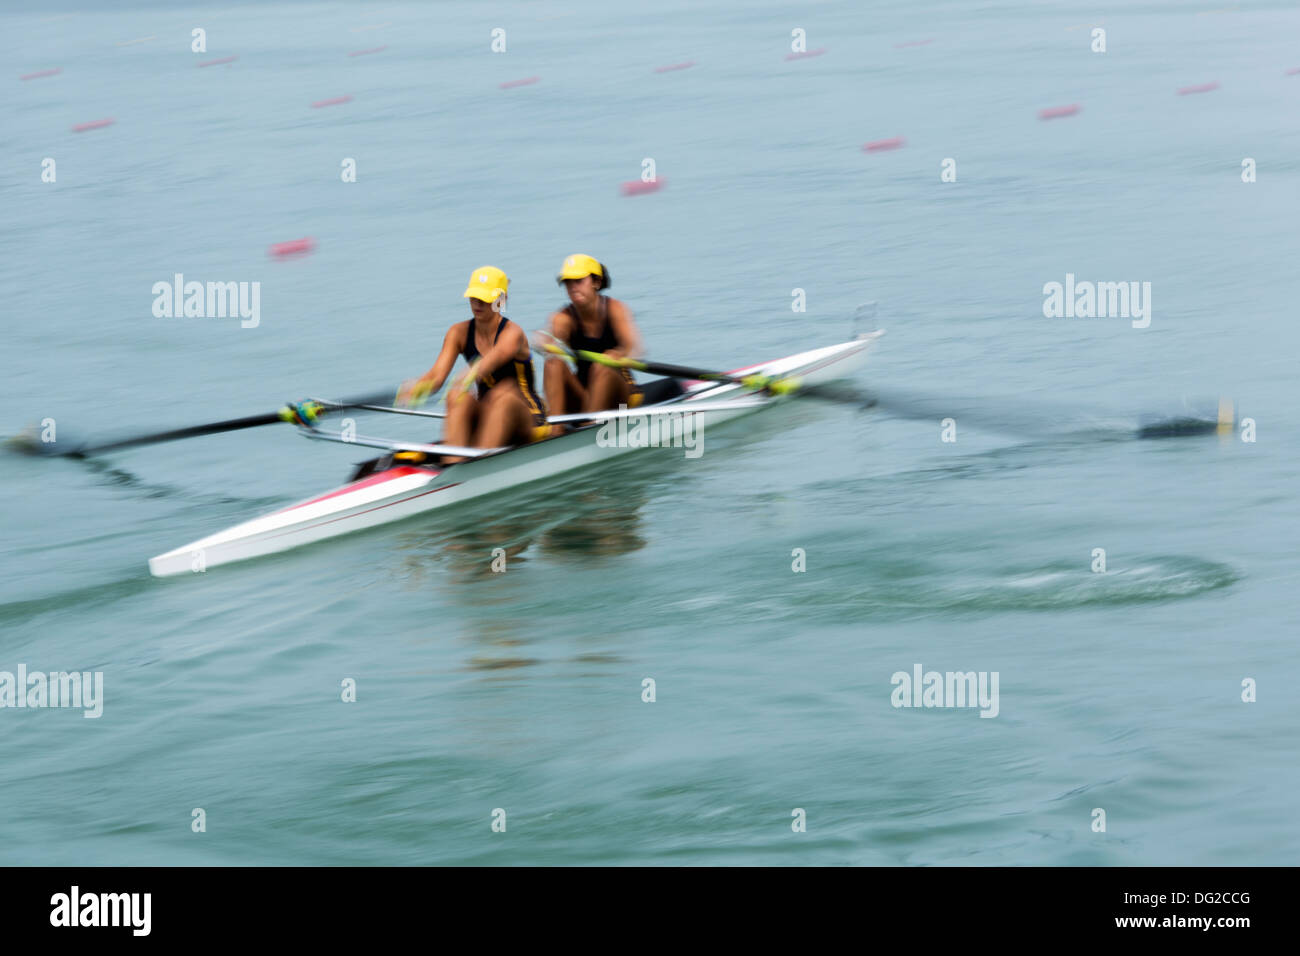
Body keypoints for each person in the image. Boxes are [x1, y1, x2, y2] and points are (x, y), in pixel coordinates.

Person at [397, 266, 548, 461]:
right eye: (474, 297)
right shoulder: (458, 333)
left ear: (501, 300)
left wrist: (471, 372)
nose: (477, 303)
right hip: (489, 414)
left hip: (528, 418)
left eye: (485, 298)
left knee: (504, 392)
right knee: (456, 395)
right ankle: (454, 463)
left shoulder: (513, 333)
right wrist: (416, 387)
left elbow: (496, 356)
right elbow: (436, 378)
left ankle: (477, 465)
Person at [541, 254, 646, 416]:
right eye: (568, 283)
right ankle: (555, 431)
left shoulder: (615, 309)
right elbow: (551, 335)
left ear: (596, 282)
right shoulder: (563, 317)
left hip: (621, 400)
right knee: (552, 363)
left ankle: (587, 428)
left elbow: (635, 349)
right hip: (586, 395)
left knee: (602, 365)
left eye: (578, 281)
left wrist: (620, 353)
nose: (572, 288)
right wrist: (548, 342)